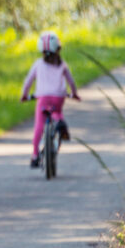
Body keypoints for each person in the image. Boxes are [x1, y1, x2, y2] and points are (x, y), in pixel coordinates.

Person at [20, 31, 80, 168]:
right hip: (59, 96)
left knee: (39, 126)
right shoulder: (62, 64)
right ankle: (60, 122)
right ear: (58, 48)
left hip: (43, 97)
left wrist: (24, 95)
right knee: (57, 112)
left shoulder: (38, 64)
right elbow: (71, 82)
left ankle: (35, 155)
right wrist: (74, 94)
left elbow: (28, 82)